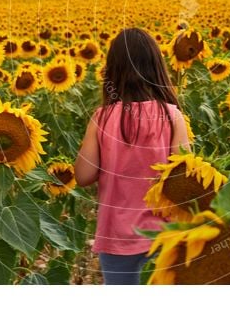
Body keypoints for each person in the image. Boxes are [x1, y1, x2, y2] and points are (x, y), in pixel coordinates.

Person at [75, 27, 190, 285]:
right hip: (164, 236)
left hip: (117, 238)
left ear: (113, 71)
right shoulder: (172, 117)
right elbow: (185, 181)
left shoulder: (102, 118)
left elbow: (82, 175)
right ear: (156, 67)